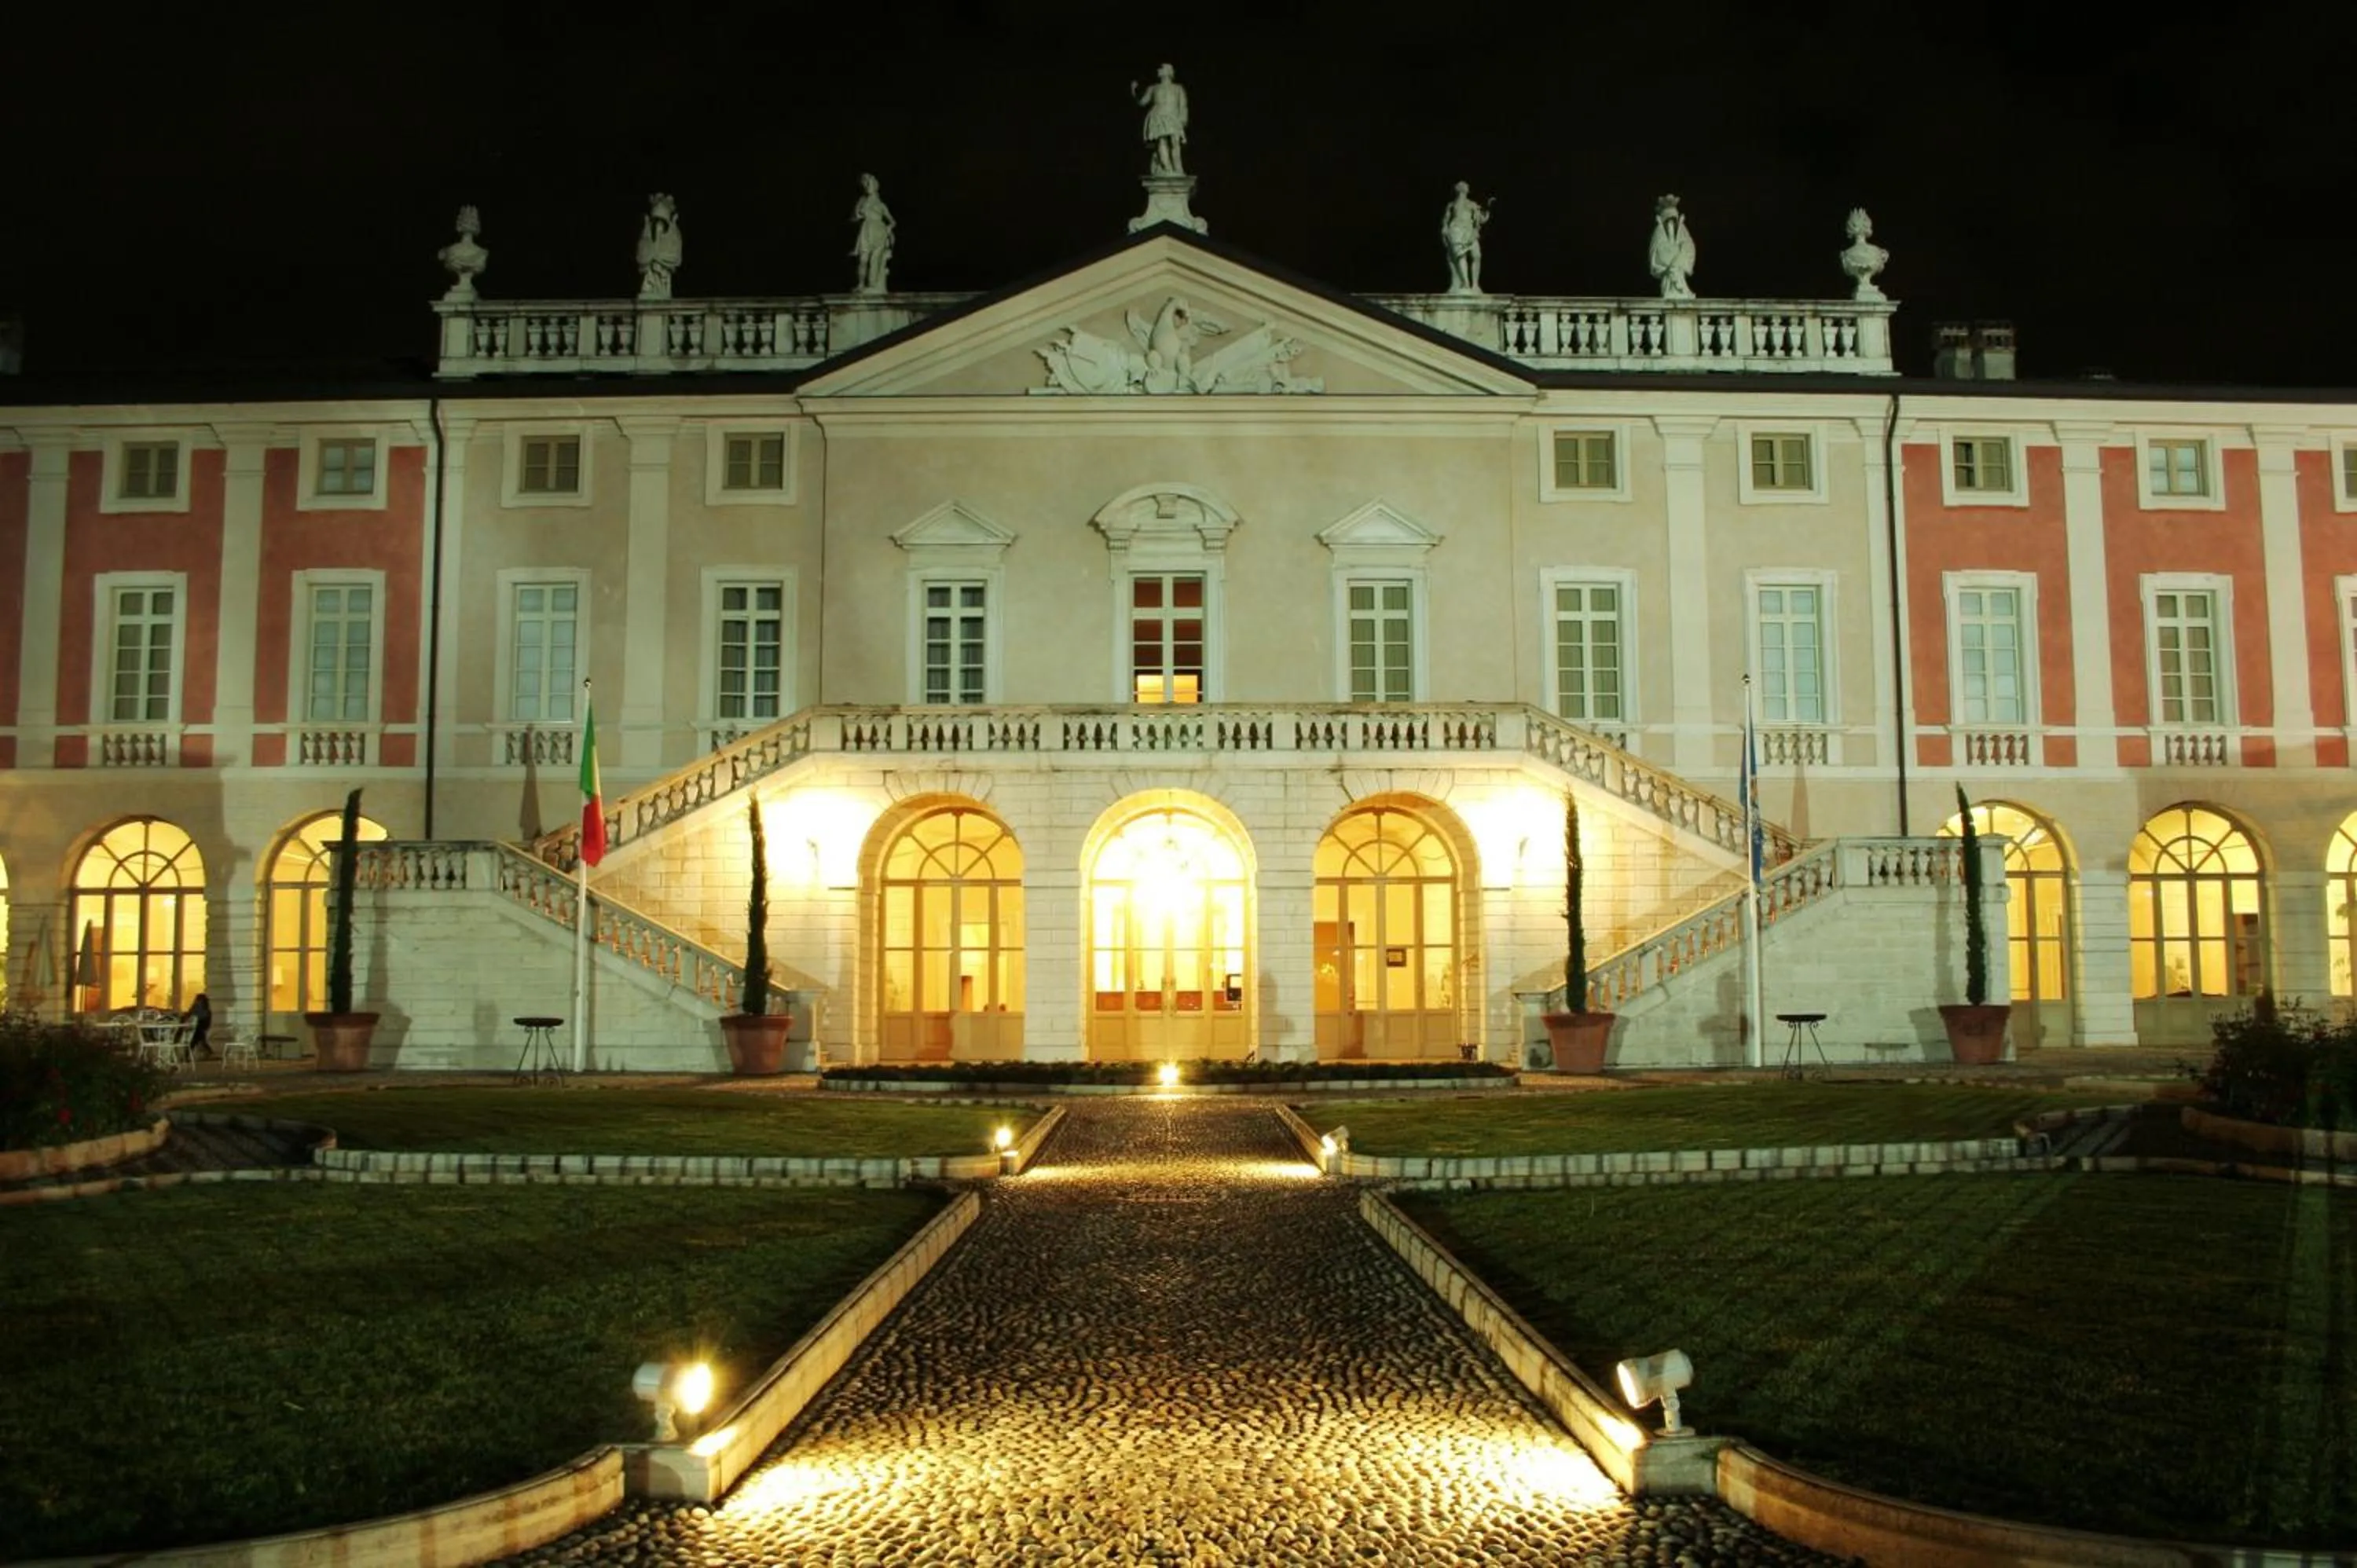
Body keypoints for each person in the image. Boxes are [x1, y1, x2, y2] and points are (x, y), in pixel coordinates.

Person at [1131, 64, 1188, 176]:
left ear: (1168, 72)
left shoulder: (1178, 88)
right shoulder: (1153, 88)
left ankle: (1178, 169)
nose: (1158, 70)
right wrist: (1134, 91)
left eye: (1161, 68)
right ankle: (1167, 170)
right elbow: (1143, 102)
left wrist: (1183, 119)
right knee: (1162, 141)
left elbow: (1183, 105)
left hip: (1173, 117)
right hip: (1158, 116)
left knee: (1175, 142)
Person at [1440, 181, 1492, 294]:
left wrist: (1485, 213)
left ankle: (1475, 284)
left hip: (1469, 231)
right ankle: (1465, 283)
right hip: (1456, 230)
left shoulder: (1472, 204)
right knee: (1461, 256)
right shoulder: (1451, 205)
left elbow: (1478, 220)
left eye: (1465, 187)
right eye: (1461, 186)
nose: (1464, 188)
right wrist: (1444, 229)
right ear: (1457, 189)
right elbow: (1446, 220)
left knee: (1476, 255)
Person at [849, 174, 895, 295]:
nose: (867, 186)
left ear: (875, 186)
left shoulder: (881, 205)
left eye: (869, 184)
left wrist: (889, 229)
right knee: (863, 259)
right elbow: (853, 218)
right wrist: (858, 216)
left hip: (879, 230)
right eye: (866, 184)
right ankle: (860, 284)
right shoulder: (862, 201)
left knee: (875, 259)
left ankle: (873, 284)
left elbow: (892, 221)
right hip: (866, 229)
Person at [184, 991, 212, 1058]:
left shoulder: (196, 1006)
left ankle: (187, 1055)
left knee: (195, 1040)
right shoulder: (206, 1008)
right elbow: (207, 1020)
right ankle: (208, 1051)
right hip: (200, 1027)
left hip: (197, 1027)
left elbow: (189, 1014)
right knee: (199, 1039)